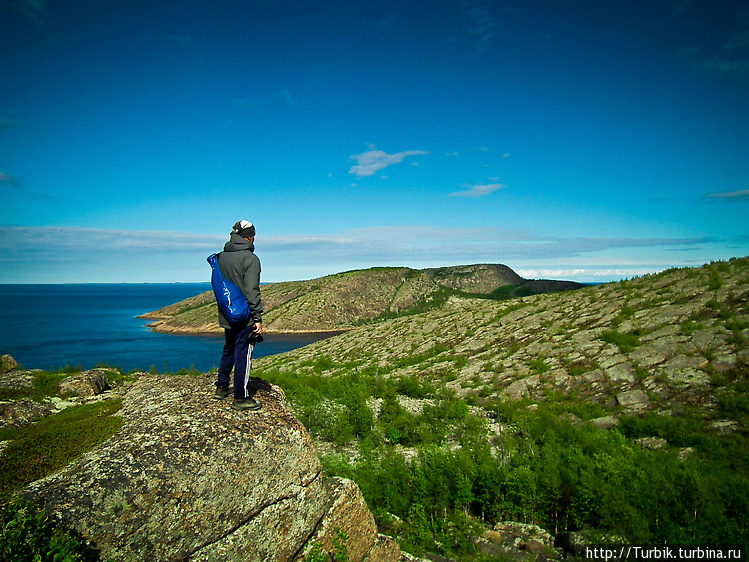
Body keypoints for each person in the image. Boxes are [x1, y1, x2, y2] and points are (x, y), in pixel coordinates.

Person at [213, 220, 265, 411]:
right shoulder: (250, 259)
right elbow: (252, 291)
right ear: (250, 236)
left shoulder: (221, 257)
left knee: (229, 348)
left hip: (227, 312)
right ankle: (240, 397)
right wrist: (257, 318)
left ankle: (222, 387)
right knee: (243, 353)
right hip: (244, 315)